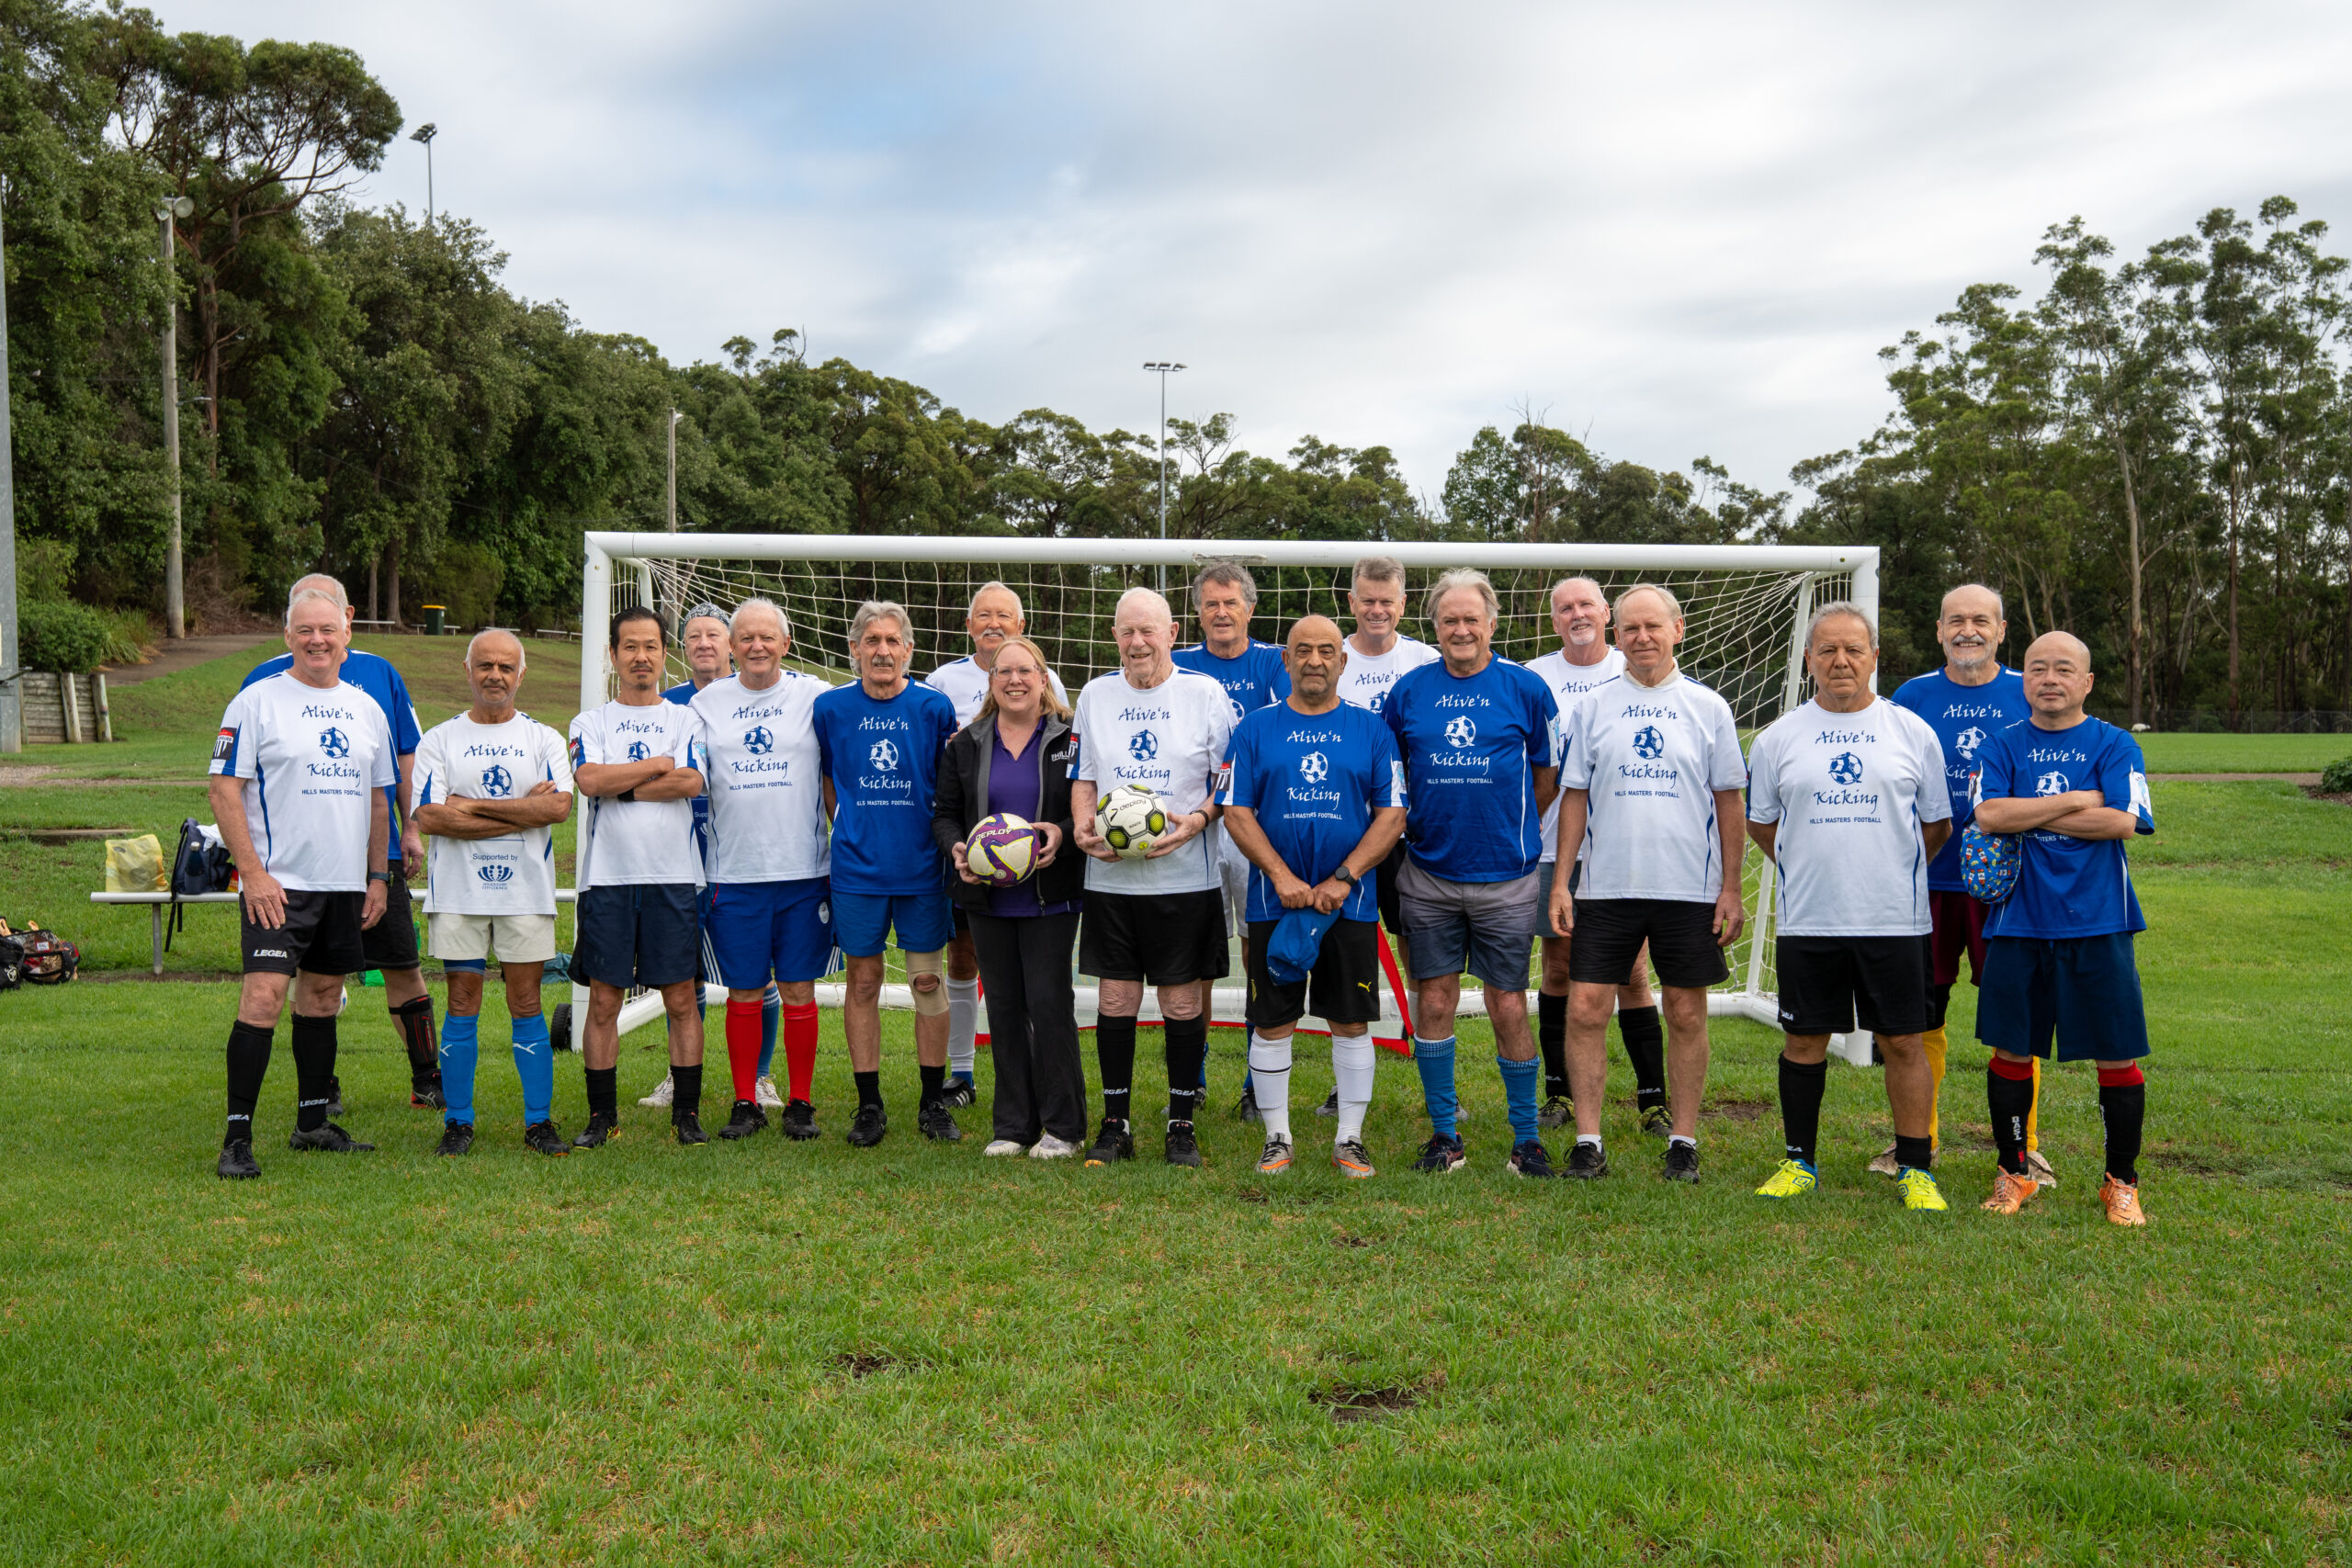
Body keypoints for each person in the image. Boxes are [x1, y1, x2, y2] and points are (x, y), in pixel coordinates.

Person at [1745, 604, 1953, 1211]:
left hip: (1895, 919)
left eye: (1853, 650)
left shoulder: (1911, 731)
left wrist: (1888, 868)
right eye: (1828, 650)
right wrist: (1811, 864)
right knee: (1804, 1040)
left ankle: (1915, 1168)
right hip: (1811, 919)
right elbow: (1762, 824)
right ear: (1809, 659)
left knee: (1904, 1042)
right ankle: (1798, 1162)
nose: (1841, 661)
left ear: (1874, 658)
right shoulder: (1779, 737)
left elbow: (1936, 825)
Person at [1550, 583, 1747, 1183]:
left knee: (1685, 1012)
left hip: (1689, 890)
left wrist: (1732, 887)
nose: (1641, 637)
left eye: (1653, 626)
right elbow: (1574, 797)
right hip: (1605, 888)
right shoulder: (1594, 706)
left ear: (1677, 630)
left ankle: (1683, 1143)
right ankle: (1588, 1143)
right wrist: (1561, 883)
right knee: (1586, 1008)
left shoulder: (1708, 707)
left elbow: (1730, 801)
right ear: (1618, 635)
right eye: (1630, 628)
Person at [208, 582, 398, 1179]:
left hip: (344, 885)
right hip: (278, 887)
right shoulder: (256, 702)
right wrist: (253, 873)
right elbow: (223, 791)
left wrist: (376, 877)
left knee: (321, 999)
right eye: (305, 630)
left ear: (347, 634)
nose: (318, 640)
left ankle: (312, 1123)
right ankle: (237, 1139)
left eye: (327, 630)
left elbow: (378, 802)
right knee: (263, 998)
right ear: (288, 635)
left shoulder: (367, 709)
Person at [1968, 632, 2155, 1226]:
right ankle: (2014, 1172)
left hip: (2101, 920)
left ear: (2087, 682)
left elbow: (2122, 821)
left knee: (2117, 1054)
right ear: (2023, 679)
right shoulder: (2002, 743)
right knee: (2010, 1049)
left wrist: (2027, 811)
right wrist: (2078, 799)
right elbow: (1989, 814)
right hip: (2018, 922)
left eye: (2064, 669)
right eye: (2038, 668)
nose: (2050, 679)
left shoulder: (2115, 742)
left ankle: (2121, 1182)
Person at [1383, 569, 1560, 1177]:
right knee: (1434, 999)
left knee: (1508, 1003)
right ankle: (1444, 1135)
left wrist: (1505, 827)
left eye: (1471, 619)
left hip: (1507, 876)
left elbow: (1545, 776)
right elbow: (1393, 776)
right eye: (1449, 620)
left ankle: (1526, 1140)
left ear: (1491, 623)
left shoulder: (1526, 688)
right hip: (1428, 874)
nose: (1461, 629)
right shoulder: (1408, 692)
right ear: (1434, 626)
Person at [1219, 615, 1407, 1178]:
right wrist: (1281, 876)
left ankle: (1350, 1138)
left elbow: (1392, 814)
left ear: (1342, 661)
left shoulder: (1372, 730)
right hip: (1273, 903)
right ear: (1286, 660)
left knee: (1350, 1021)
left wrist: (1343, 878)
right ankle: (1277, 1137)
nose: (1315, 661)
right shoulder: (1254, 728)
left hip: (1349, 904)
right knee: (1273, 1022)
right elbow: (1235, 810)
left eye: (1327, 650)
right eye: (1303, 651)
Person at [240, 574, 435, 1112]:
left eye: (331, 616)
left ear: (348, 619)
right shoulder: (262, 682)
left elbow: (405, 757)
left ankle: (427, 1077)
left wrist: (411, 826)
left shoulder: (379, 674)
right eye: (304, 619)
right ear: (288, 625)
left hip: (375, 856)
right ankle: (320, 1090)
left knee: (401, 962)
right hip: (297, 866)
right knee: (310, 977)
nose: (319, 635)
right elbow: (239, 775)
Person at [1887, 583, 2052, 1184]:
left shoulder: (2028, 690)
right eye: (1955, 620)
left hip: (2009, 884)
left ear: (2002, 630)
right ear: (1939, 631)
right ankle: (1918, 1142)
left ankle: (2024, 1147)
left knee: (2015, 1018)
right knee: (1921, 1014)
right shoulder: (1911, 696)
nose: (1968, 630)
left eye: (1981, 620)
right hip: (1926, 880)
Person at [1069, 586, 1233, 1168]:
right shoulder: (1095, 694)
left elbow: (1229, 777)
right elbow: (1084, 775)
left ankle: (1180, 1126)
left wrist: (1197, 821)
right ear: (1114, 636)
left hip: (1185, 878)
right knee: (1115, 998)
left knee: (1182, 1002)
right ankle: (1115, 1125)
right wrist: (1084, 826)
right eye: (1127, 632)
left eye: (1149, 631)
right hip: (1112, 880)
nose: (1137, 642)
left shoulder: (1204, 693)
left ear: (1171, 633)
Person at [411, 631, 576, 1156]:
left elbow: (556, 808)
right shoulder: (440, 738)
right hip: (458, 894)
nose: (495, 675)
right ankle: (458, 1122)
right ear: (468, 670)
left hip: (524, 893)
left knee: (526, 1001)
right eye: (485, 665)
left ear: (521, 674)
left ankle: (538, 1123)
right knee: (462, 1001)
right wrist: (520, 811)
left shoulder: (544, 738)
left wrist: (470, 805)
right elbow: (430, 817)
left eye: (506, 667)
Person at [812, 601, 963, 1147]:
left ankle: (932, 1103)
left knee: (927, 982)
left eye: (892, 641)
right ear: (854, 649)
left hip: (922, 869)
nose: (882, 651)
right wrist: (854, 829)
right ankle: (869, 1105)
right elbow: (829, 780)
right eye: (871, 640)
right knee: (863, 981)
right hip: (857, 872)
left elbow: (948, 785)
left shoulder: (934, 707)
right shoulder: (830, 708)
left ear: (909, 650)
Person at [1524, 575, 1668, 1135]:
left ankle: (1653, 1100)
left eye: (1586, 604)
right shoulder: (1533, 677)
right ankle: (1559, 1093)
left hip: (1622, 848)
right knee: (1559, 967)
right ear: (1553, 620)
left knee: (1632, 972)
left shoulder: (1634, 668)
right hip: (1549, 846)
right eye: (1565, 608)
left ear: (1606, 613)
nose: (1577, 614)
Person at [933, 636, 1087, 1157]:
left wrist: (1062, 833)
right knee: (1002, 1007)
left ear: (1043, 679)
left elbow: (1090, 808)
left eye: (1025, 671)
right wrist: (958, 848)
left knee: (1049, 1004)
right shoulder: (966, 743)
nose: (1015, 680)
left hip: (1050, 895)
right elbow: (945, 814)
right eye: (1004, 672)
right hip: (987, 898)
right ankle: (1013, 1126)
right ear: (991, 681)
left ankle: (1063, 1127)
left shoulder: (1072, 738)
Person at [690, 599, 835, 1142]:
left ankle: (800, 1102)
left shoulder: (816, 695)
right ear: (731, 647)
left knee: (798, 989)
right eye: (746, 637)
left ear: (786, 644)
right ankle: (745, 1100)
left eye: (767, 637)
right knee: (744, 992)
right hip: (734, 873)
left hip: (804, 872)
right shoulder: (705, 704)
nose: (757, 646)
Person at [568, 607, 710, 1146]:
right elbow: (589, 780)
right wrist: (656, 765)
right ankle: (601, 1116)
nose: (641, 656)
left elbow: (690, 782)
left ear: (664, 654)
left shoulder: (685, 718)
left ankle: (686, 1114)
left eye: (651, 646)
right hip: (607, 880)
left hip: (673, 878)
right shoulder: (590, 722)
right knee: (605, 1001)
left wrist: (621, 784)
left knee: (681, 998)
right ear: (613, 655)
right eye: (630, 646)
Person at [643, 604, 783, 1113]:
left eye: (713, 635)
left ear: (732, 645)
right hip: (682, 854)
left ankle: (761, 1077)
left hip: (746, 856)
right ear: (683, 649)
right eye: (693, 636)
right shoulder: (669, 706)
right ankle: (678, 1076)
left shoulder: (760, 697)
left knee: (760, 972)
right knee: (684, 971)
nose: (703, 643)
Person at [1173, 561, 1291, 1120]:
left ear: (1250, 608)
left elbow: (1288, 730)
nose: (1221, 613)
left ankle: (1253, 1082)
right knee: (1197, 953)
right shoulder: (1177, 665)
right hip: (1193, 824)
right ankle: (1192, 1078)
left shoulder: (1275, 662)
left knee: (1256, 949)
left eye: (1231, 603)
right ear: (1198, 612)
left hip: (1253, 824)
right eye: (1211, 604)